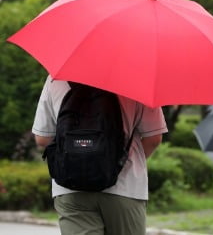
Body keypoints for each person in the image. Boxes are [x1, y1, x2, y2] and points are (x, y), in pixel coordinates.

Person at [32, 76, 168, 235]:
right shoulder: (137, 79)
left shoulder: (56, 79)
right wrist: (117, 163)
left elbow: (42, 139)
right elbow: (154, 138)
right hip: (125, 188)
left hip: (71, 188)